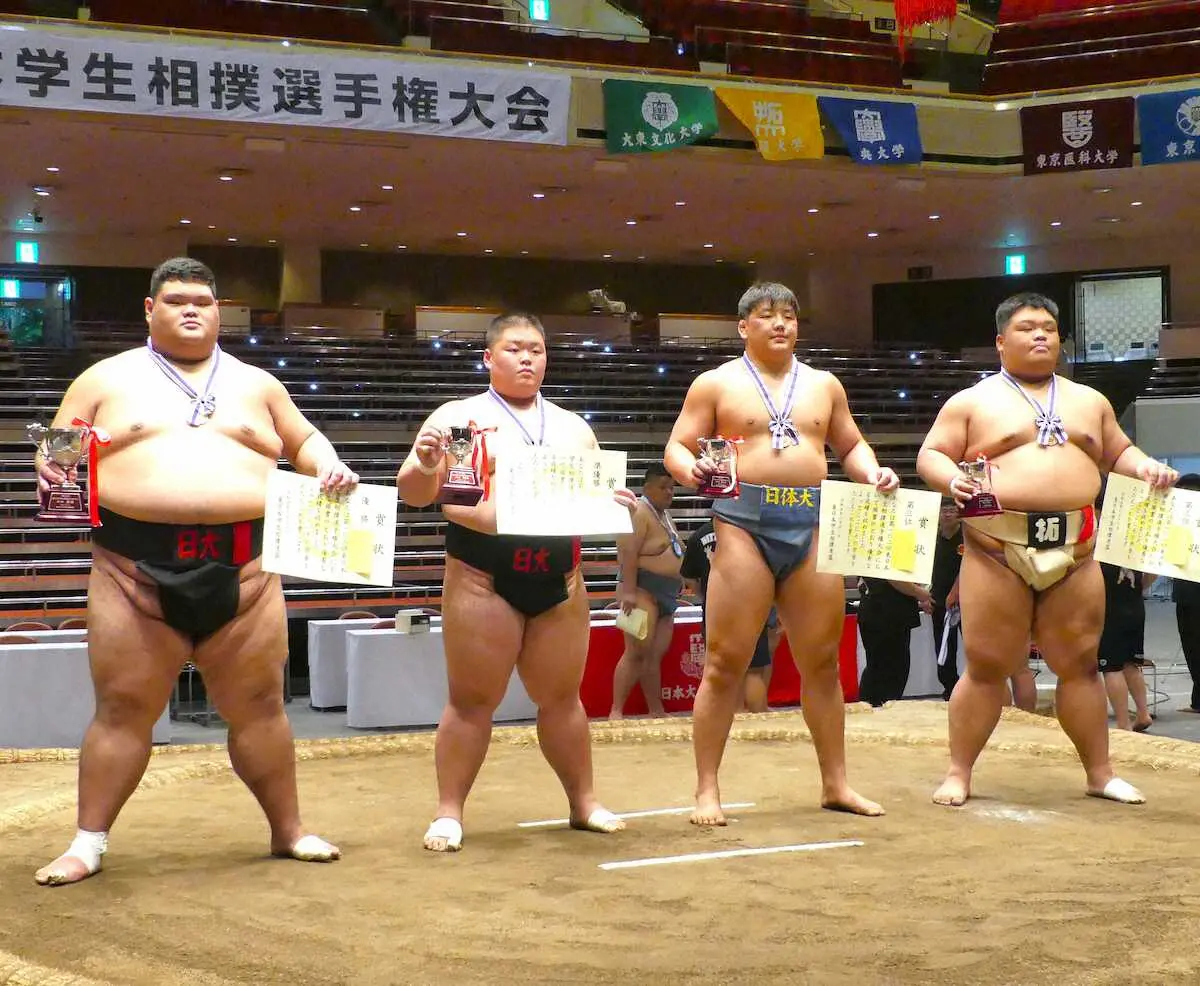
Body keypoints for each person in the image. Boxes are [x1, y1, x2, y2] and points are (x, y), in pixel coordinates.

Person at [33, 258, 356, 886]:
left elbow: (305, 440)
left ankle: (288, 830)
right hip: (132, 570)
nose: (191, 309)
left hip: (248, 569)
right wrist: (50, 461)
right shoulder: (104, 378)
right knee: (123, 707)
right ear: (149, 310)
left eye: (203, 301)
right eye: (176, 300)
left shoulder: (259, 384)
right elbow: (59, 444)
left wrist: (329, 464)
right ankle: (87, 842)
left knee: (262, 706)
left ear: (219, 310)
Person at [917, 291, 1177, 808]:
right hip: (996, 547)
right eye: (1026, 327)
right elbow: (932, 454)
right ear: (999, 341)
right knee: (988, 664)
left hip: (1076, 548)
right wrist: (952, 481)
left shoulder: (1089, 401)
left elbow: (1118, 450)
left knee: (1080, 663)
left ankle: (1100, 773)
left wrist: (1145, 466)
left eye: (1049, 328)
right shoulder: (972, 402)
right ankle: (958, 772)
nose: (1040, 335)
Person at [665, 281, 897, 826]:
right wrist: (689, 469)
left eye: (789, 315)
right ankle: (706, 789)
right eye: (767, 316)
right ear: (743, 326)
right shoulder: (715, 383)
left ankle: (836, 784)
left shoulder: (824, 384)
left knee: (821, 661)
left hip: (812, 520)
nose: (780, 324)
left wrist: (872, 471)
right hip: (743, 523)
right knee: (725, 661)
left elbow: (850, 444)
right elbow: (677, 444)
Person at [397, 312, 629, 852]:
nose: (527, 358)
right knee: (471, 700)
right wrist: (427, 463)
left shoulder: (574, 425)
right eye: (514, 349)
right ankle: (449, 812)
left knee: (563, 698)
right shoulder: (459, 417)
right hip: (483, 573)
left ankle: (583, 802)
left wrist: (615, 503)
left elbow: (596, 496)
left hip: (560, 576)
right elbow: (414, 494)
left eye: (537, 350)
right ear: (488, 357)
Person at [679, 518, 781, 713]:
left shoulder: (698, 536)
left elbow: (688, 576)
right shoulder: (751, 533)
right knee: (754, 672)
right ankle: (758, 720)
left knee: (723, 672)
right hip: (751, 605)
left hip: (716, 608)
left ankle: (733, 720)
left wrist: (705, 594)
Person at [610, 463, 683, 719]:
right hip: (640, 591)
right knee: (635, 653)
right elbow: (627, 554)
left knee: (654, 656)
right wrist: (628, 592)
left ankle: (656, 709)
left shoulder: (664, 515)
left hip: (666, 594)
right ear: (647, 487)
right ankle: (616, 712)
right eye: (663, 487)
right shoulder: (639, 512)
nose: (669, 492)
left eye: (672, 488)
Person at [857, 578, 932, 707]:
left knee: (878, 668)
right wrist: (920, 593)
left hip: (879, 609)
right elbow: (895, 578)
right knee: (889, 673)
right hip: (887, 612)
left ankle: (871, 709)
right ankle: (877, 712)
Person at [930, 499, 964, 700]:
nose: (948, 514)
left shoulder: (967, 537)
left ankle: (975, 686)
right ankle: (950, 687)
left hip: (967, 599)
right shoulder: (931, 539)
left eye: (952, 510)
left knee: (973, 645)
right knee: (943, 647)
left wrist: (956, 592)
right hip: (939, 601)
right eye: (944, 510)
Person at [1172, 474, 1200, 714]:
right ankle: (1198, 699)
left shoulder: (1181, 525)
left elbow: (1174, 557)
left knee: (1193, 646)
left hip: (1190, 594)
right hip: (1186, 592)